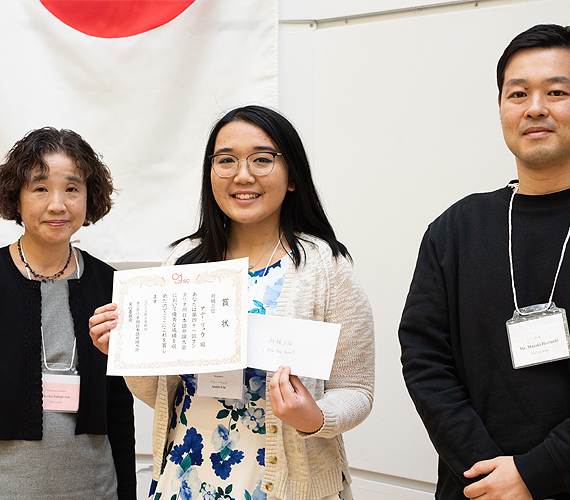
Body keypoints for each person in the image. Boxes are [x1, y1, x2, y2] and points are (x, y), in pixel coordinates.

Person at [398, 24, 570, 500]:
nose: (535, 107)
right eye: (517, 93)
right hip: (479, 490)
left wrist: (536, 473)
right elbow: (425, 360)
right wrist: (489, 475)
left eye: (556, 91)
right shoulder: (454, 230)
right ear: (500, 107)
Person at [89, 105, 375, 500]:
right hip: (186, 476)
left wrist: (315, 418)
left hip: (285, 486)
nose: (243, 175)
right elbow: (163, 393)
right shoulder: (183, 263)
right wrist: (124, 352)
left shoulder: (327, 269)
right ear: (211, 175)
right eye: (226, 161)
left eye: (262, 159)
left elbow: (357, 390)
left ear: (292, 176)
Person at [0, 127, 137, 500]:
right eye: (40, 187)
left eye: (72, 188)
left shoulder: (108, 283)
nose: (57, 204)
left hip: (94, 488)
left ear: (88, 197)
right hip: (0, 488)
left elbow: (118, 404)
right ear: (15, 197)